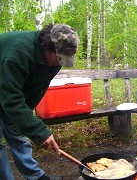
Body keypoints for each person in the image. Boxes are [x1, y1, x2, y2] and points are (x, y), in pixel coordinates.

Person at [0, 24, 80, 180]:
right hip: (5, 86)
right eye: (59, 58)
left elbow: (37, 88)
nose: (60, 62)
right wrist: (38, 131)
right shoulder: (18, 53)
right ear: (47, 48)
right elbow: (10, 97)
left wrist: (25, 120)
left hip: (9, 88)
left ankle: (35, 177)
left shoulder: (52, 61)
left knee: (17, 132)